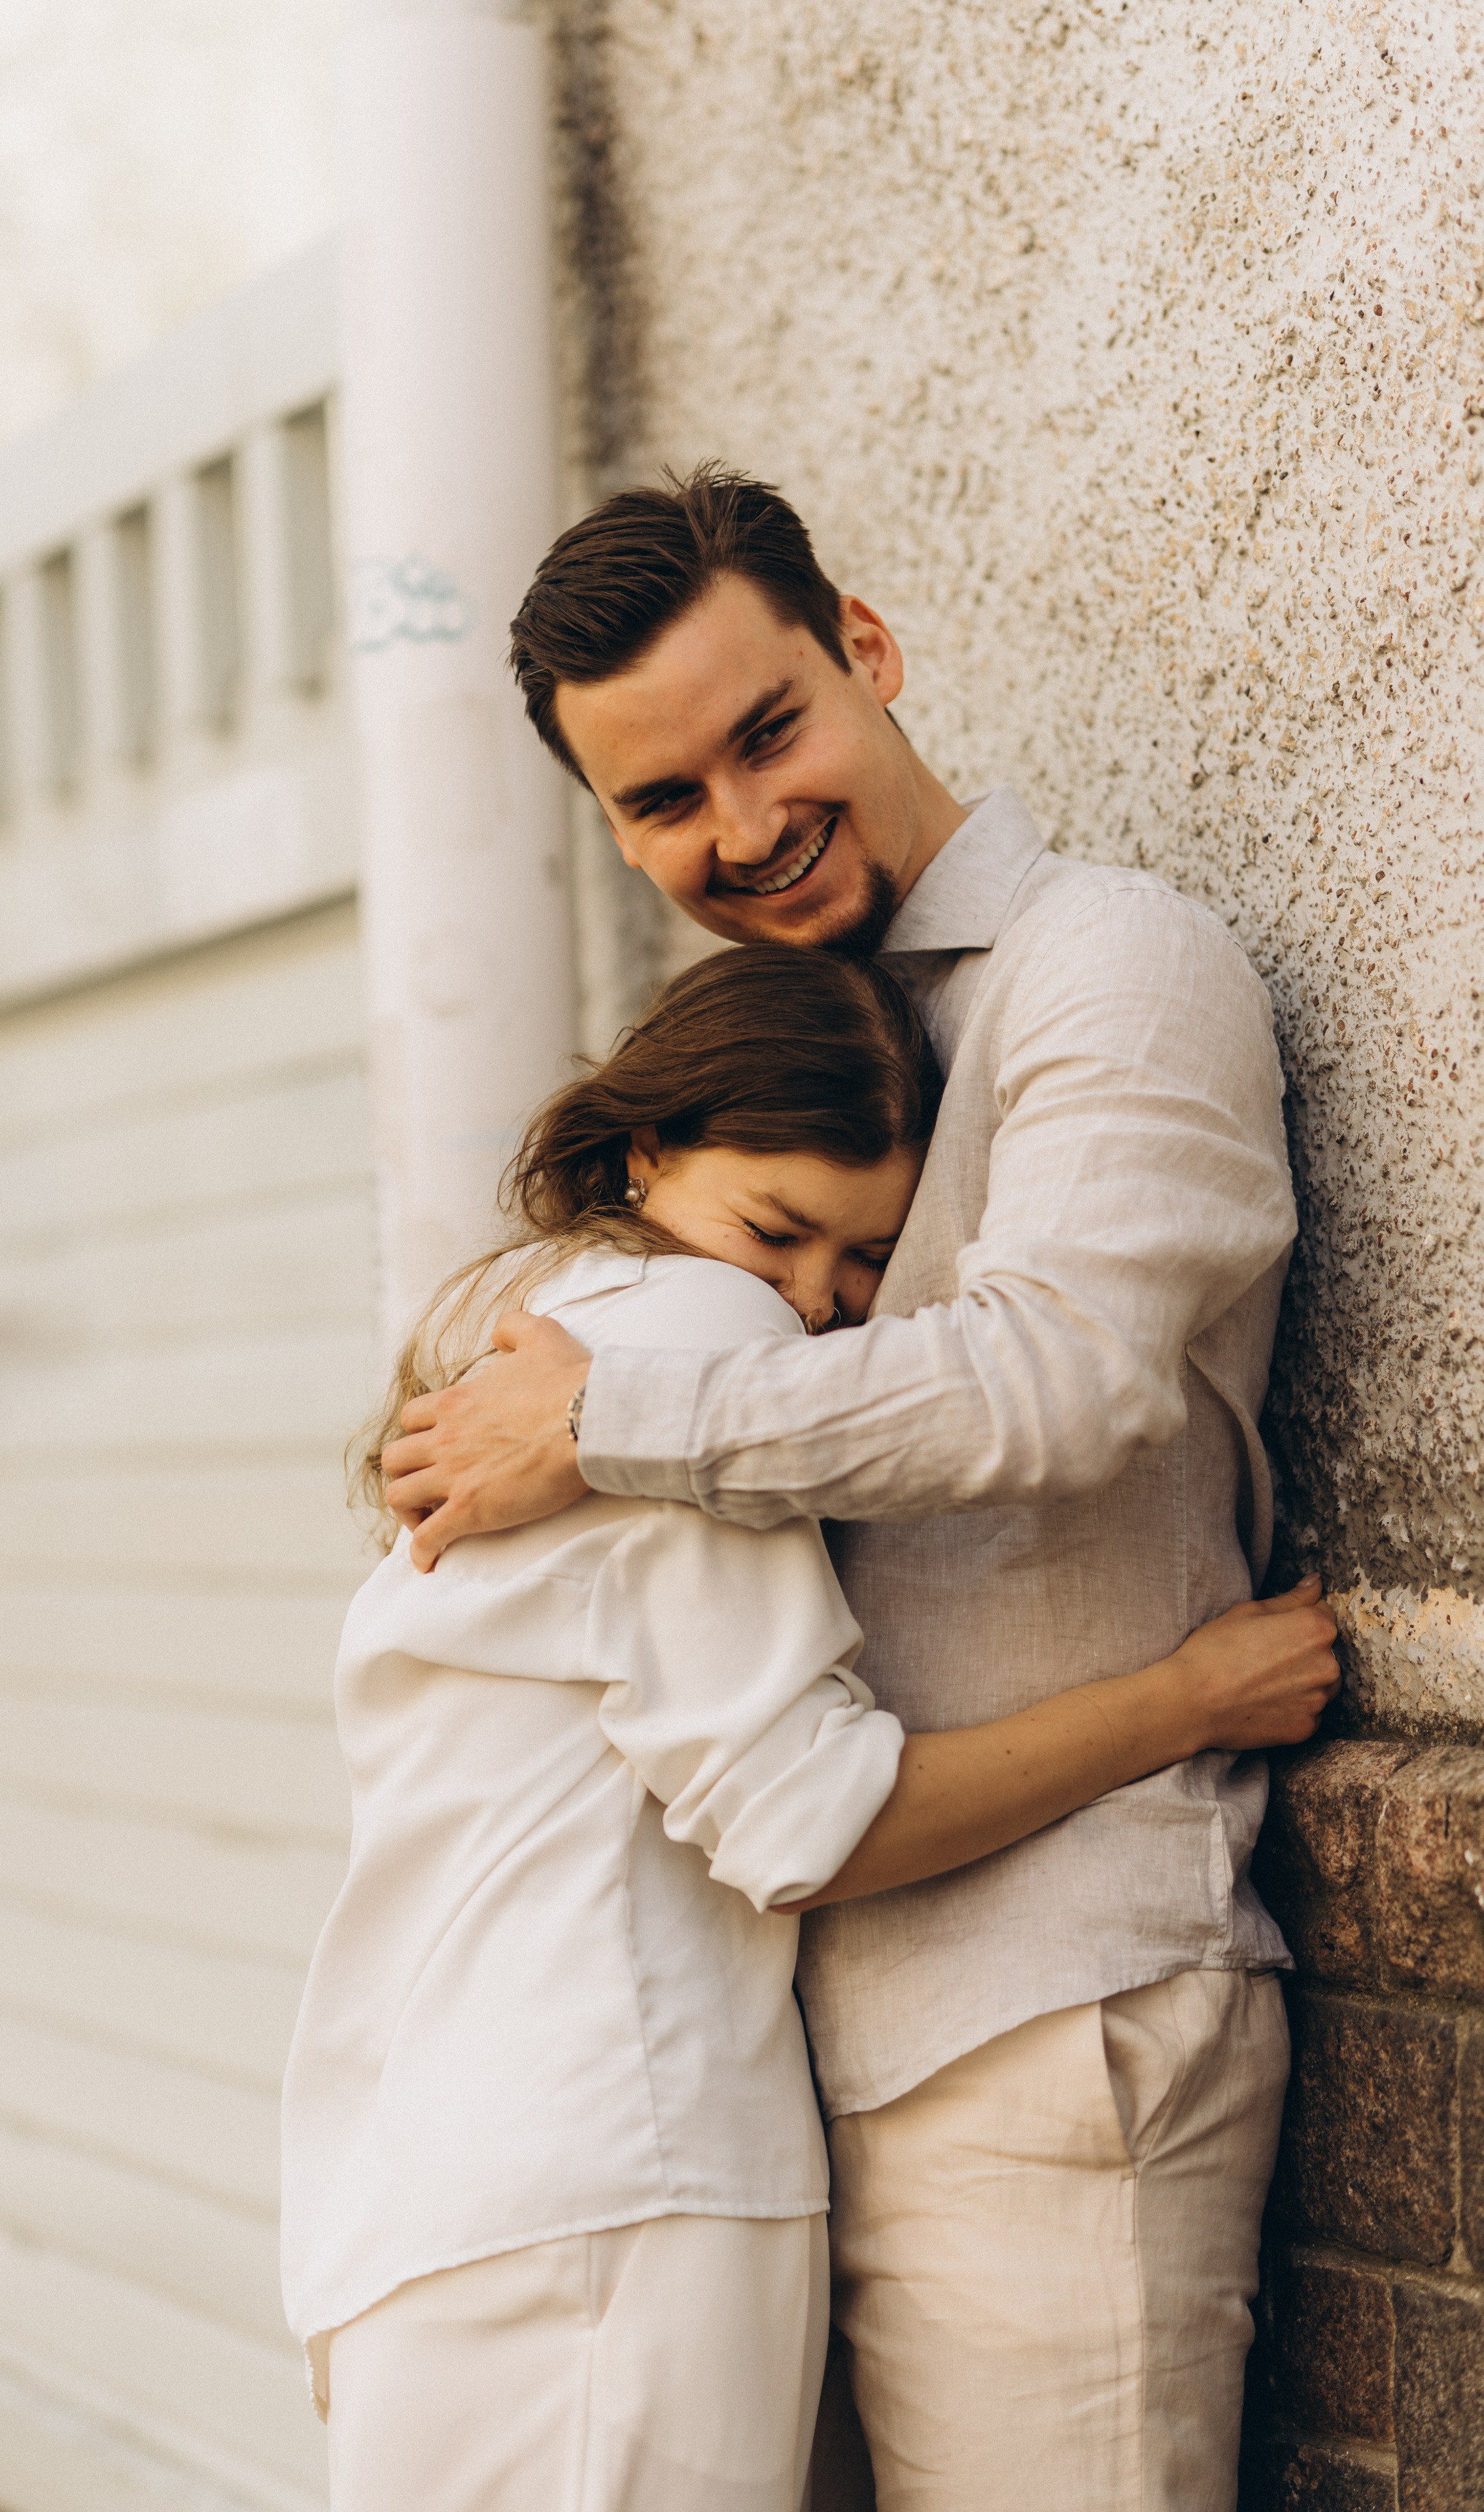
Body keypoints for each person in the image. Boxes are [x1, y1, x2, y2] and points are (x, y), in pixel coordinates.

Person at [381, 468, 1308, 2510]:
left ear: (866, 655)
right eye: (663, 800)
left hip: (1055, 2016)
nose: (740, 822)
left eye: (769, 729)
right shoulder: (784, 1060)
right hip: (788, 2054)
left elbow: (1063, 1380)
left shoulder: (1111, 971)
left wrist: (610, 1425)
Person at [282, 947, 1338, 2512]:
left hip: (437, 2176)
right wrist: (1180, 1700)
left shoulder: (542, 1316)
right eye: (775, 1227)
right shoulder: (688, 1337)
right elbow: (812, 1825)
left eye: (859, 1264)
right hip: (603, 2177)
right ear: (648, 1148)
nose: (808, 1302)